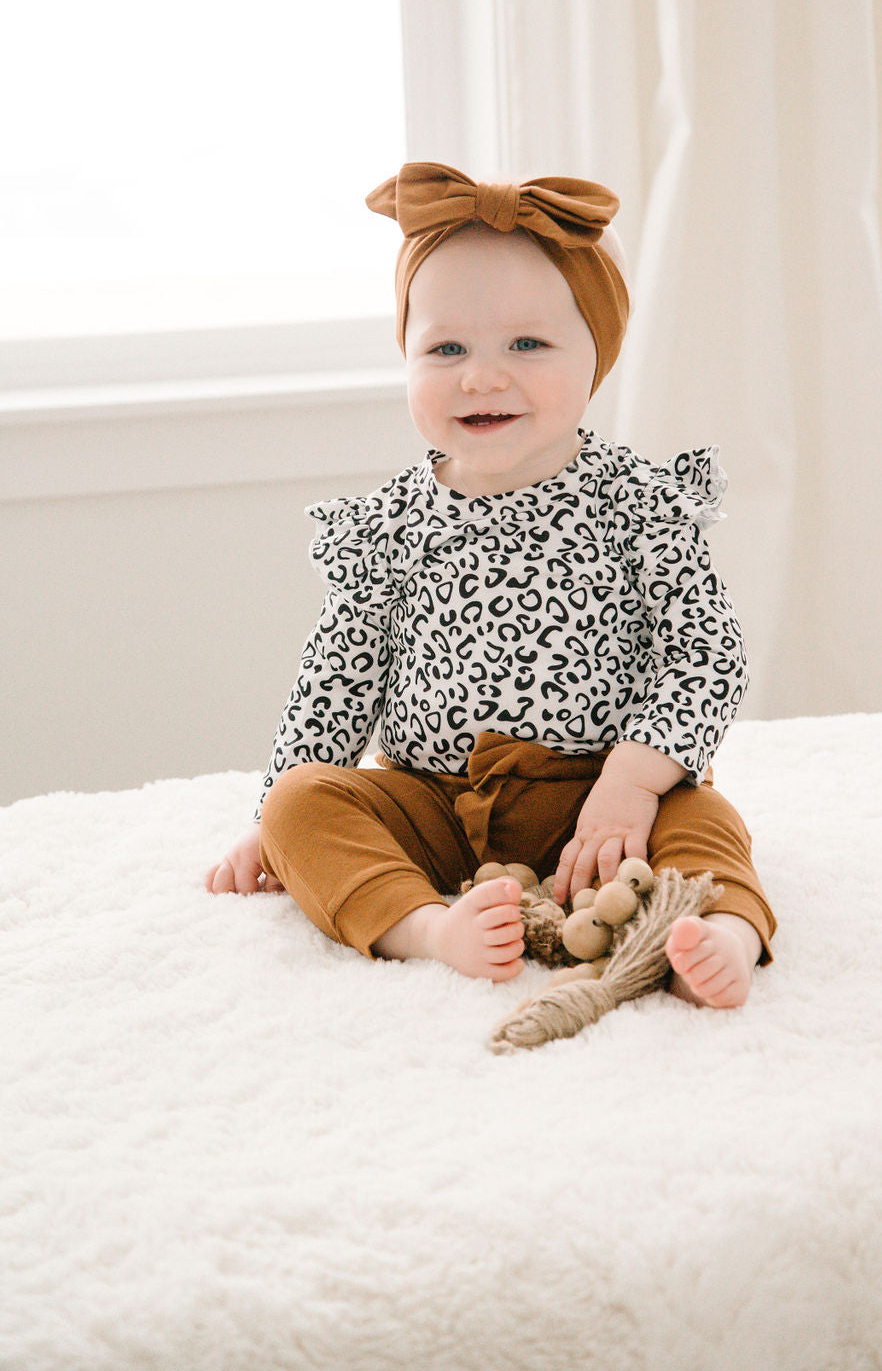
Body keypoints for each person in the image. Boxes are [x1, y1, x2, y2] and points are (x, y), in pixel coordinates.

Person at [206, 162, 776, 1008]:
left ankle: (718, 932)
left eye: (527, 344)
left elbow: (706, 654)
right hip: (432, 804)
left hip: (598, 804)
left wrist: (631, 783)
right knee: (302, 803)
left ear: (597, 354)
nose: (481, 376)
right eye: (446, 349)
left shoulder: (639, 505)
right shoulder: (393, 522)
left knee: (703, 817)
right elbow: (338, 671)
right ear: (406, 357)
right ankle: (429, 927)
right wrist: (270, 819)